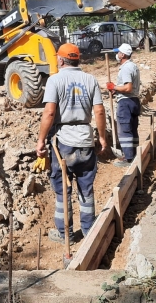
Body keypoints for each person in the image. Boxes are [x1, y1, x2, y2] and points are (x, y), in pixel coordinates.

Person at [35, 43, 108, 244]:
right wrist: (101, 137)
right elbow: (99, 111)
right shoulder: (90, 79)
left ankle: (64, 232)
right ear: (78, 59)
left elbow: (49, 112)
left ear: (60, 59)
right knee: (86, 187)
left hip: (63, 142)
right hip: (85, 138)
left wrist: (41, 140)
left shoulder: (55, 80)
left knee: (62, 188)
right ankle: (88, 229)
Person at [106, 43, 141, 168]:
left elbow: (128, 87)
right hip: (134, 101)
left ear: (123, 55)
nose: (117, 54)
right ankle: (135, 153)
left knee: (125, 130)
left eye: (119, 52)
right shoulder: (133, 66)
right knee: (132, 128)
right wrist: (116, 90)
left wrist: (114, 87)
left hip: (126, 102)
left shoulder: (126, 68)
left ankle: (128, 158)